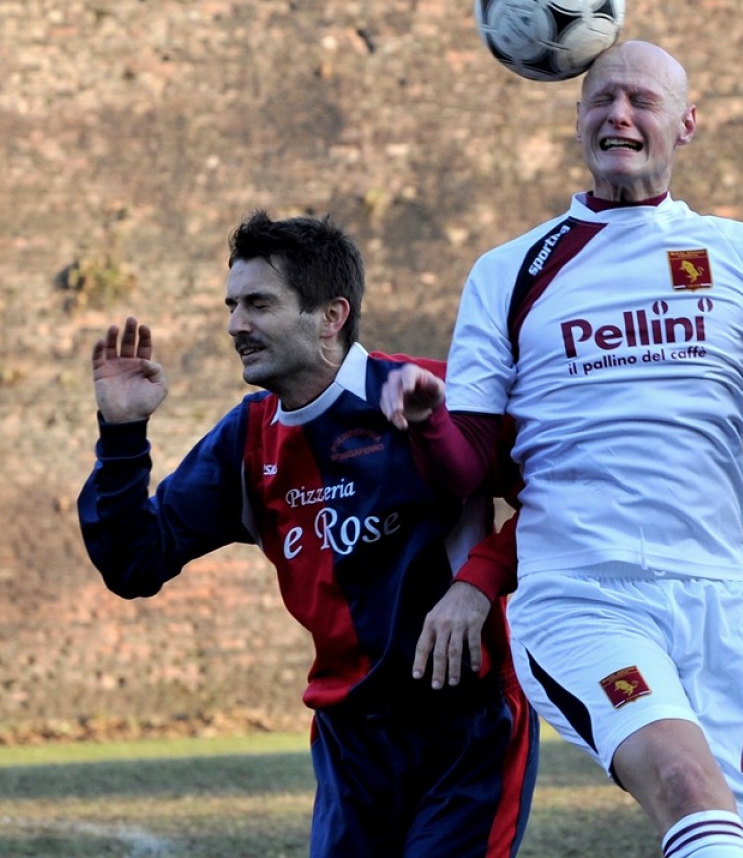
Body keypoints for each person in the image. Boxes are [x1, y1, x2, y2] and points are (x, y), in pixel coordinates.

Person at [381, 40, 743, 858]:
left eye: (642, 100)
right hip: (583, 597)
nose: (621, 115)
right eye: (602, 99)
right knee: (685, 788)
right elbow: (468, 467)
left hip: (725, 609)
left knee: (742, 845)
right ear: (578, 118)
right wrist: (429, 423)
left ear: (687, 125)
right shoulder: (509, 273)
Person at [77, 211, 537, 857]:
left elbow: (569, 503)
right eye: (233, 304)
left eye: (259, 303)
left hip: (465, 730)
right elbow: (133, 562)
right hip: (349, 742)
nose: (237, 324)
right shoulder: (247, 440)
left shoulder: (431, 392)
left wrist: (477, 583)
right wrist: (122, 436)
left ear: (330, 316)